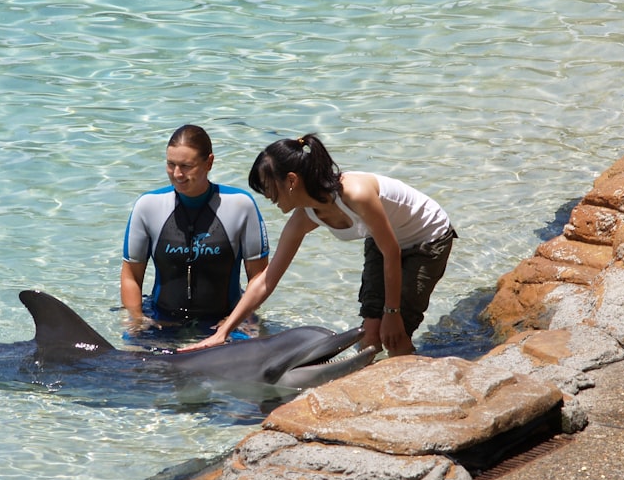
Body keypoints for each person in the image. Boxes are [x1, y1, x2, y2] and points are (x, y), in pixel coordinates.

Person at [179, 133, 455, 355]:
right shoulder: (305, 217)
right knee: (369, 335)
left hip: (427, 237)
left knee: (395, 333)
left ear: (291, 181)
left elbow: (392, 251)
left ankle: (412, 392)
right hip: (382, 240)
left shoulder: (355, 194)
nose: (266, 196)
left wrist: (392, 312)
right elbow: (266, 280)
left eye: (267, 186)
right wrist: (223, 332)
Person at [121, 124, 270, 343]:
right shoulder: (148, 206)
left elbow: (259, 276)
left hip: (226, 318)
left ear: (209, 162)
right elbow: (131, 275)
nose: (177, 174)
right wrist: (136, 319)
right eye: (171, 165)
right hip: (162, 317)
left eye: (186, 166)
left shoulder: (240, 205)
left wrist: (237, 319)